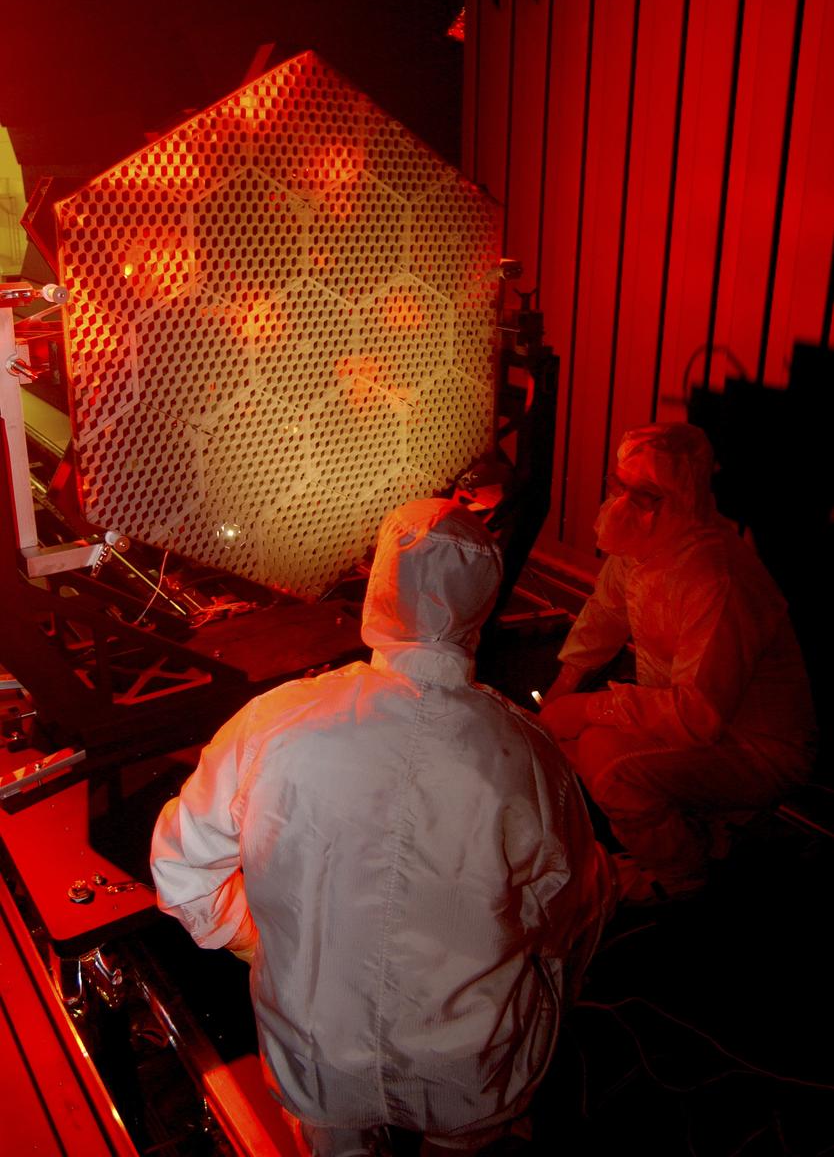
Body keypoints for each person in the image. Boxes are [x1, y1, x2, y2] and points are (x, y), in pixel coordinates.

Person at [151, 498, 614, 1156]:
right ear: (484, 605)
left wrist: (255, 943)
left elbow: (180, 871)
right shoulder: (531, 755)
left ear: (379, 590)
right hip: (472, 1071)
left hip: (317, 1064)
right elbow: (559, 908)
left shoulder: (273, 721)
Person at [540, 422, 816, 902]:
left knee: (609, 766)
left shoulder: (712, 575)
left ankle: (682, 878)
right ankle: (702, 835)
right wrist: (558, 701)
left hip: (756, 747)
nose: (624, 503)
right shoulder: (650, 545)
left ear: (683, 496)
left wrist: (586, 709)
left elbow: (699, 714)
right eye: (619, 485)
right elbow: (602, 616)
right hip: (692, 723)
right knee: (573, 742)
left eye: (644, 494)